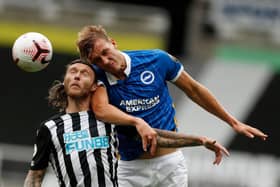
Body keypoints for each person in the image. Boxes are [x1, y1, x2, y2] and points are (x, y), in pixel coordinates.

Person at [76, 25, 268, 187]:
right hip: (130, 169)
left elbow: (194, 89)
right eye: (97, 60)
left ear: (113, 42)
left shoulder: (156, 60)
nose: (105, 61)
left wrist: (233, 122)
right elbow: (101, 110)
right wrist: (136, 122)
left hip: (170, 165)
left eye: (105, 52)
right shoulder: (96, 75)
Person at [23, 59, 229, 187]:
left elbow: (155, 137)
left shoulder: (111, 121)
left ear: (96, 86)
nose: (77, 76)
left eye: (84, 73)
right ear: (65, 82)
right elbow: (35, 176)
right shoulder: (49, 129)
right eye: (72, 72)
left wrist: (200, 140)